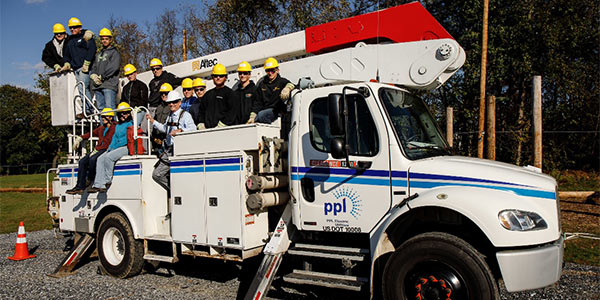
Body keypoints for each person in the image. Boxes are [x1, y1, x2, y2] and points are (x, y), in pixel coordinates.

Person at [146, 91, 195, 191]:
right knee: (157, 174)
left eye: (175, 102)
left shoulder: (185, 115)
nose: (172, 104)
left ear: (180, 102)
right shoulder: (170, 116)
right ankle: (175, 190)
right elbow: (165, 129)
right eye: (170, 102)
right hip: (169, 150)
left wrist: (181, 131)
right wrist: (153, 121)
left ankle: (177, 191)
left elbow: (194, 130)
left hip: (179, 151)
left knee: (161, 174)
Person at [65, 108, 117, 194]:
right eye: (102, 116)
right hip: (99, 149)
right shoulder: (101, 128)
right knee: (82, 162)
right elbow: (91, 133)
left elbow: (109, 143)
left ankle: (90, 178)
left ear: (111, 118)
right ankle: (79, 187)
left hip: (107, 149)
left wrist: (96, 150)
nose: (103, 118)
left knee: (93, 159)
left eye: (105, 116)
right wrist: (80, 138)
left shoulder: (115, 128)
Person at [87, 102, 134, 193]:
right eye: (120, 113)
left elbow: (125, 140)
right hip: (116, 147)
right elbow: (114, 138)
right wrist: (110, 148)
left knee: (109, 157)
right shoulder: (118, 125)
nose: (122, 115)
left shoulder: (130, 124)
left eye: (124, 113)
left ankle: (107, 180)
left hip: (126, 147)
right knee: (100, 158)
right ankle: (98, 185)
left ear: (128, 114)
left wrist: (113, 148)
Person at [61, 17, 97, 117]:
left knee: (83, 88)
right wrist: (67, 63)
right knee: (80, 88)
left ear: (80, 27)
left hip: (84, 68)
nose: (72, 29)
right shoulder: (70, 41)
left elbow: (92, 49)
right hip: (75, 68)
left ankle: (88, 110)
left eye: (75, 27)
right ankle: (86, 109)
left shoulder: (86, 36)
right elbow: (66, 55)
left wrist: (87, 63)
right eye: (71, 28)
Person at [250, 57, 295, 124]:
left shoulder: (282, 82)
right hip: (265, 110)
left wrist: (288, 88)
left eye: (272, 70)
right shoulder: (262, 84)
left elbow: (293, 85)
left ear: (277, 70)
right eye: (268, 71)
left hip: (277, 110)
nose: (270, 73)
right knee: (258, 117)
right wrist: (253, 115)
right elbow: (258, 102)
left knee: (261, 115)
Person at [196, 64, 236, 129]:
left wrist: (222, 125)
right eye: (215, 76)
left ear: (225, 77)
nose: (218, 78)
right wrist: (201, 124)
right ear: (212, 77)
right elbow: (201, 112)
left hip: (225, 131)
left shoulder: (230, 94)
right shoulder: (207, 95)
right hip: (208, 131)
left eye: (221, 76)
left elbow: (232, 113)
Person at [90, 28, 121, 111]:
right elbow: (94, 67)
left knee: (109, 108)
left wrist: (102, 77)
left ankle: (112, 124)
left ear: (110, 40)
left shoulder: (114, 53)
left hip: (109, 85)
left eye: (106, 39)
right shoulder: (99, 54)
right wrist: (93, 75)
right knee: (100, 109)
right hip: (97, 86)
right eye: (102, 39)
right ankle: (102, 124)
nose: (104, 41)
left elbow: (114, 68)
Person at [151, 83, 173, 150]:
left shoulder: (172, 107)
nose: (163, 95)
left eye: (166, 93)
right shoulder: (158, 107)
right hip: (157, 139)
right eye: (162, 93)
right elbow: (155, 122)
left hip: (166, 138)